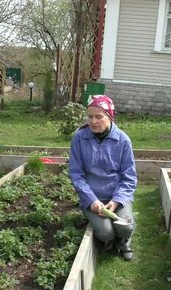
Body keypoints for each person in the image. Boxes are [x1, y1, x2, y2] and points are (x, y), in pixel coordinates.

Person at [69, 95, 137, 261]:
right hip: (92, 196)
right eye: (90, 116)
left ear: (110, 116)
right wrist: (91, 200)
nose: (93, 121)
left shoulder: (122, 140)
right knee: (106, 231)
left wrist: (116, 201)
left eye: (99, 116)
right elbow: (76, 174)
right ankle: (107, 242)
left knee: (126, 226)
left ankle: (123, 243)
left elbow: (129, 177)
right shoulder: (80, 138)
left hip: (117, 195)